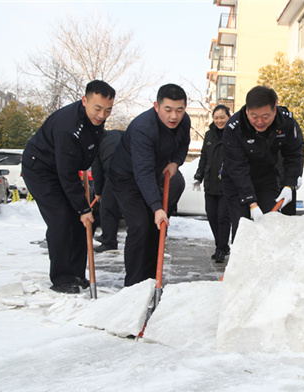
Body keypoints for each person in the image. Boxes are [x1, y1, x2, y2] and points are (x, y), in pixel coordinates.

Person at [22, 80, 116, 293]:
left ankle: (76, 273)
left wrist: (82, 209)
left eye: (108, 110)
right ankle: (62, 278)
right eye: (97, 108)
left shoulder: (94, 121)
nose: (102, 115)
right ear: (85, 101)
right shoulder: (69, 126)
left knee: (78, 222)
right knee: (61, 219)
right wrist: (83, 208)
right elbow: (66, 174)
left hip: (62, 168)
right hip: (41, 169)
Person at [109, 84, 191, 287]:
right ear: (156, 106)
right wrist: (156, 207)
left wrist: (175, 162)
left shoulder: (184, 121)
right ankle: (134, 285)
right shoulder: (143, 128)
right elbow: (142, 171)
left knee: (156, 227)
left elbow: (183, 144)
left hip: (153, 174)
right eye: (168, 110)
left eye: (179, 110)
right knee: (140, 226)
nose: (174, 116)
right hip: (126, 178)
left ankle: (151, 278)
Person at [222, 85, 304, 238]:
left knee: (270, 225)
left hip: (266, 177)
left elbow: (295, 153)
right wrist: (252, 203)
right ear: (247, 110)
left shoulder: (286, 121)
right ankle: (242, 260)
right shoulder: (234, 128)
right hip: (236, 182)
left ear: (275, 109)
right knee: (243, 229)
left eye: (265, 116)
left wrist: (289, 184)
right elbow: (237, 168)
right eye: (254, 116)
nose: (260, 121)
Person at [193, 105, 232, 263]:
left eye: (222, 117)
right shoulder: (209, 135)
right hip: (210, 183)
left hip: (226, 184)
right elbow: (204, 157)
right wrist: (198, 176)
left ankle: (221, 248)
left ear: (229, 117)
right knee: (212, 216)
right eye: (216, 118)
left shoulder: (234, 134)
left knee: (223, 217)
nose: (219, 120)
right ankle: (221, 245)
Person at [91, 129, 123, 252]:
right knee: (117, 208)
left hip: (116, 174)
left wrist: (98, 192)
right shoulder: (117, 134)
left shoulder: (96, 143)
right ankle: (107, 236)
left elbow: (97, 171)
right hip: (133, 172)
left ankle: (109, 242)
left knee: (107, 209)